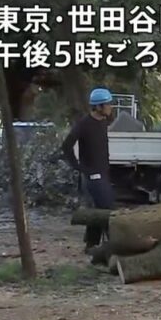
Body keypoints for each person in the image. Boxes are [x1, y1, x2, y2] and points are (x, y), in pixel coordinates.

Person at [61, 88, 115, 249]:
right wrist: (78, 166)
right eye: (108, 104)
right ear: (98, 107)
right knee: (107, 210)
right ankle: (112, 245)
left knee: (98, 210)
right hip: (92, 176)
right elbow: (66, 145)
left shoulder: (103, 122)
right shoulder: (84, 124)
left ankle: (91, 245)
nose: (110, 107)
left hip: (103, 173)